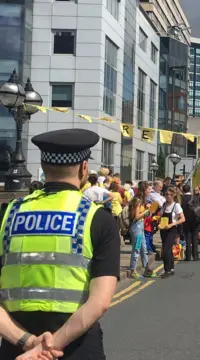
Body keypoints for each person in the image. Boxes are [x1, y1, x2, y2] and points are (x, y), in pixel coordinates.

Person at [0, 129, 119, 359]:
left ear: (44, 167)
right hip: (77, 349)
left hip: (15, 350)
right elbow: (100, 302)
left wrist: (27, 343)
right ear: (84, 168)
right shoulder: (97, 218)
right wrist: (46, 348)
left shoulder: (8, 214)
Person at [158, 187, 185, 278]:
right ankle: (172, 268)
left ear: (173, 195)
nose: (167, 196)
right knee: (168, 249)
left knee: (166, 250)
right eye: (166, 194)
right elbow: (161, 216)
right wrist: (159, 224)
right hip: (164, 229)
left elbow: (182, 219)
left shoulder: (176, 205)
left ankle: (167, 270)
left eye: (169, 195)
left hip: (172, 230)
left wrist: (172, 224)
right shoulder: (164, 205)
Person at [127, 188, 153, 279]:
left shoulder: (141, 201)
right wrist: (146, 211)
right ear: (144, 190)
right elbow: (136, 216)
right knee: (137, 248)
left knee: (144, 248)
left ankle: (147, 270)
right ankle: (133, 270)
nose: (150, 191)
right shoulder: (137, 202)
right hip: (137, 227)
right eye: (148, 189)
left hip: (140, 226)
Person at [180, 184, 200, 261]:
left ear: (183, 190)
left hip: (185, 220)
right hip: (195, 220)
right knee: (195, 238)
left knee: (187, 238)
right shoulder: (195, 197)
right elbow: (199, 208)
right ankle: (196, 256)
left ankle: (188, 256)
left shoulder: (182, 198)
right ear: (190, 189)